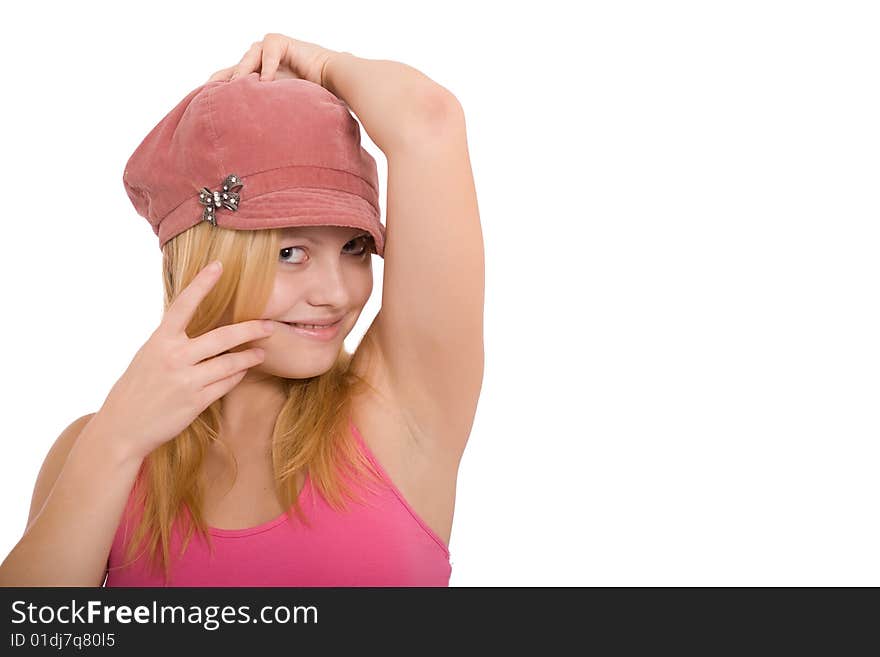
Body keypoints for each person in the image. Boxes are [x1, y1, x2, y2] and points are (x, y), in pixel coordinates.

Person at [0, 33, 484, 587]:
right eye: (290, 253)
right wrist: (116, 440)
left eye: (354, 247)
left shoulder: (401, 406)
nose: (335, 291)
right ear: (207, 257)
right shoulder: (97, 451)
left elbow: (428, 119)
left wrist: (324, 66)